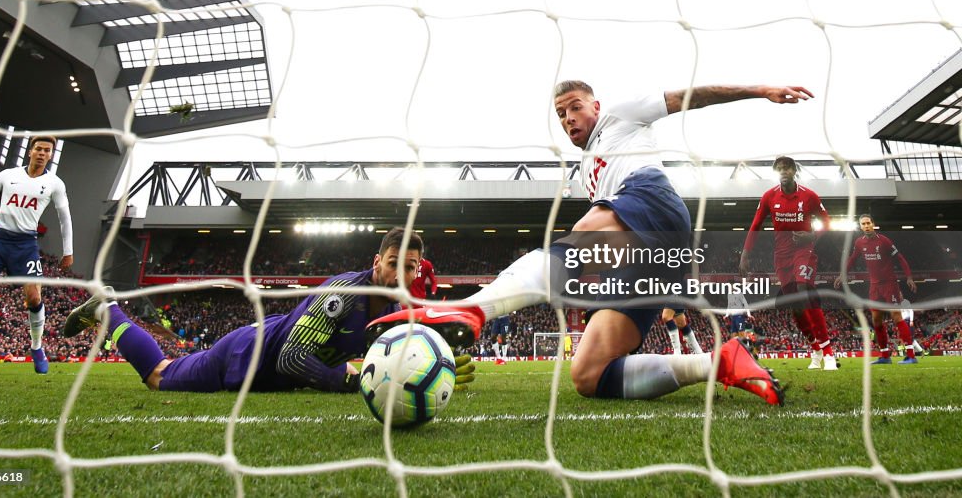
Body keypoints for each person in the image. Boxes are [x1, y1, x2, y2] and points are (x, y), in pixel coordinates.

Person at [370, 81, 814, 405]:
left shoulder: (621, 115)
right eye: (560, 115)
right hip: (646, 260)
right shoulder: (586, 172)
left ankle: (475, 308)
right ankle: (717, 363)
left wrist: (759, 91)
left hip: (652, 203)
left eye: (574, 108)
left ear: (595, 105)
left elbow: (688, 97)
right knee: (588, 376)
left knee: (576, 242)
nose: (568, 120)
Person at [62, 228, 475, 393]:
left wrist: (437, 365)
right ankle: (109, 310)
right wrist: (344, 382)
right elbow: (291, 358)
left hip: (269, 353)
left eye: (411, 267)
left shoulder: (399, 307)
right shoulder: (343, 294)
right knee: (159, 376)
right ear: (376, 261)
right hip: (251, 354)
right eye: (394, 264)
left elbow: (397, 352)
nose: (402, 275)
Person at [0, 136, 73, 376]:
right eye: (38, 148)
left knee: (33, 296)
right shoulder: (8, 175)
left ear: (50, 155)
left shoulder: (55, 183)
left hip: (26, 244)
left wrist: (68, 251)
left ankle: (37, 349)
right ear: (30, 151)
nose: (42, 153)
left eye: (47, 150)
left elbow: (64, 217)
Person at [738, 156, 836, 371]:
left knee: (803, 288)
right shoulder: (769, 197)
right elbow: (755, 224)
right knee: (796, 306)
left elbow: (827, 221)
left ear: (794, 171)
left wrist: (812, 237)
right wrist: (745, 253)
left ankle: (828, 352)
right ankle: (816, 350)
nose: (783, 171)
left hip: (804, 250)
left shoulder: (809, 196)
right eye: (779, 168)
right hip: (781, 255)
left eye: (787, 168)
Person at [835, 214, 918, 364]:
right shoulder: (859, 242)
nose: (866, 226)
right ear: (860, 226)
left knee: (896, 317)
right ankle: (885, 356)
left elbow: (900, 258)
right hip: (874, 287)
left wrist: (909, 277)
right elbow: (852, 258)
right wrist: (842, 274)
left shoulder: (884, 241)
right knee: (876, 320)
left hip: (889, 285)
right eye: (863, 224)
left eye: (868, 223)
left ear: (873, 224)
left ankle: (911, 356)